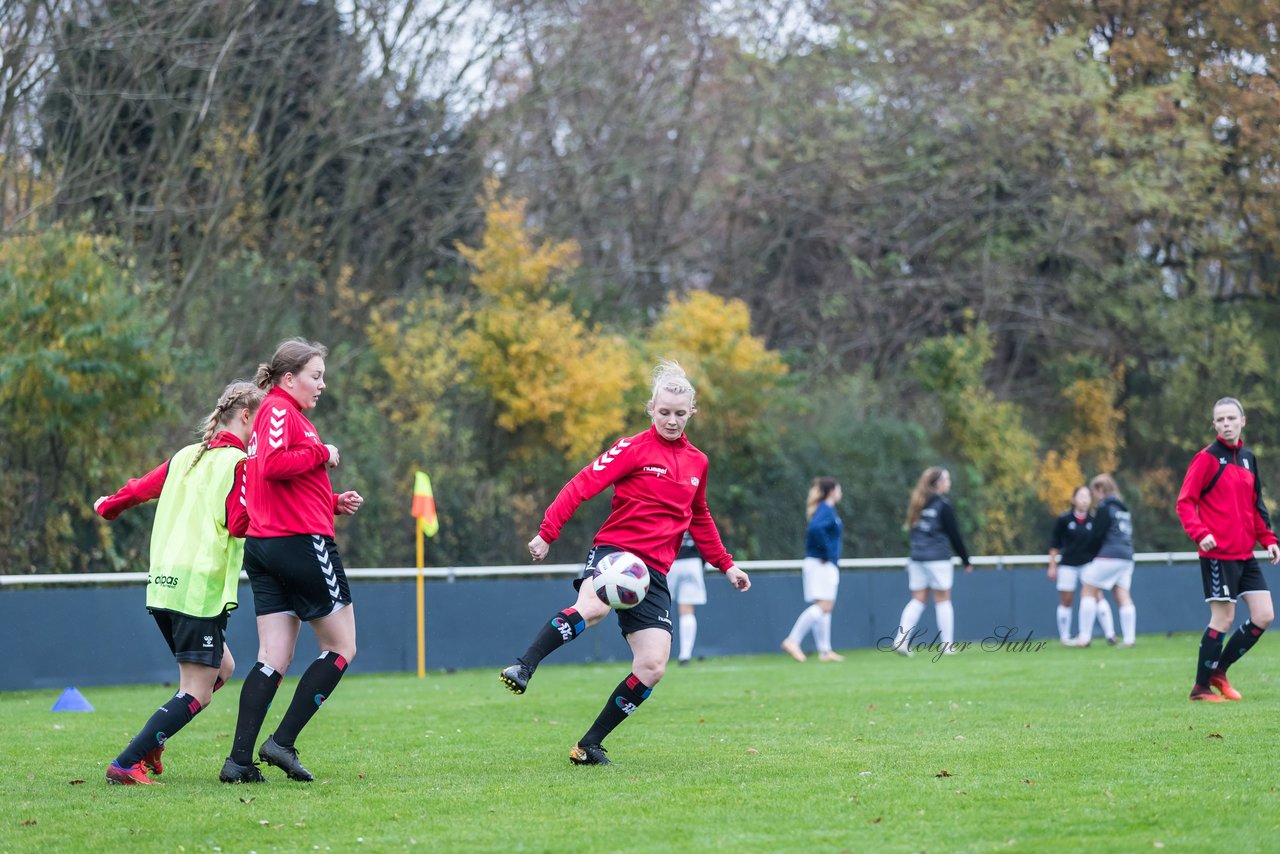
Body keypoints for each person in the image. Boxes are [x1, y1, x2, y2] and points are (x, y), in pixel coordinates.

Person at [498, 360, 751, 766]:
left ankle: (588, 746)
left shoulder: (698, 462)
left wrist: (726, 565)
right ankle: (524, 666)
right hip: (616, 554)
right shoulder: (632, 448)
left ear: (692, 413)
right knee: (593, 608)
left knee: (652, 666)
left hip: (654, 573)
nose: (671, 420)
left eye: (679, 413)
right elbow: (582, 484)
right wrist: (547, 532)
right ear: (651, 408)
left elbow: (699, 515)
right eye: (664, 412)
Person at [95, 380, 265, 785]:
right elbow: (240, 523)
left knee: (223, 668)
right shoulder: (238, 463)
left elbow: (139, 489)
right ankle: (126, 763)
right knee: (198, 691)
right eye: (262, 422)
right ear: (245, 417)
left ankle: (155, 739)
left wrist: (109, 506)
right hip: (197, 591)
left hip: (164, 587)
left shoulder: (186, 456)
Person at [220, 338, 365, 784]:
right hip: (300, 543)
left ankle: (238, 762)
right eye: (315, 376)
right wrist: (325, 453)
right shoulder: (281, 410)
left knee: (272, 657)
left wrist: (331, 501)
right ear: (288, 378)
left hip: (267, 545)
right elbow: (277, 466)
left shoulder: (276, 413)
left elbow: (278, 483)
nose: (322, 385)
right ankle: (281, 742)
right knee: (341, 648)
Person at [1175, 397, 1280, 702]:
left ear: (1242, 421)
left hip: (1245, 554)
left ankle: (1219, 672)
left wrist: (1270, 540)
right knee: (1223, 618)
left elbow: (1256, 506)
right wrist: (1200, 533)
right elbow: (1185, 502)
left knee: (1264, 615)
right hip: (1217, 555)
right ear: (1214, 424)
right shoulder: (1206, 458)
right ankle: (1200, 688)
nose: (1226, 424)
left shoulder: (1248, 458)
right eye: (1220, 420)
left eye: (1231, 418)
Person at [891, 467, 972, 656]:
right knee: (943, 599)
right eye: (947, 479)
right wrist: (966, 560)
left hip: (917, 558)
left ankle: (900, 641)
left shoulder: (917, 503)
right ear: (938, 484)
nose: (949, 483)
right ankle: (947, 646)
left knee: (917, 600)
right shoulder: (943, 505)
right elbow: (954, 535)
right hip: (937, 559)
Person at [781, 476, 845, 663]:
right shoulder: (826, 509)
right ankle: (793, 640)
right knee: (823, 606)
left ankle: (825, 651)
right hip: (821, 563)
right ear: (832, 491)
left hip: (819, 562)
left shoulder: (826, 509)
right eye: (839, 489)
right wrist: (826, 553)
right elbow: (816, 529)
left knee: (825, 607)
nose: (841, 493)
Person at [1047, 485, 1116, 646]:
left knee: (1097, 596)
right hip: (1068, 565)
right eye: (1081, 496)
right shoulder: (1064, 520)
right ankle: (1065, 637)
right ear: (1073, 499)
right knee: (1066, 599)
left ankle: (1110, 634)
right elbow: (1054, 544)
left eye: (1087, 496)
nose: (1085, 500)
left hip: (1089, 565)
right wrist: (1052, 565)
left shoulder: (1095, 520)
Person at [1072, 474, 1136, 647]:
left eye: (1094, 493)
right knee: (1122, 594)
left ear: (1100, 490)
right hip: (1127, 556)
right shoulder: (1123, 508)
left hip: (1110, 555)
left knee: (1087, 590)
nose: (1094, 498)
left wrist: (1089, 552)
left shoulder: (1105, 507)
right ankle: (1129, 640)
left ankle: (1084, 637)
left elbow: (1097, 534)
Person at [668, 531, 708, 665]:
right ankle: (685, 655)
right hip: (692, 561)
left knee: (659, 606)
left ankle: (656, 654)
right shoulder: (697, 511)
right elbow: (706, 538)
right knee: (687, 610)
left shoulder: (665, 511)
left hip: (670, 560)